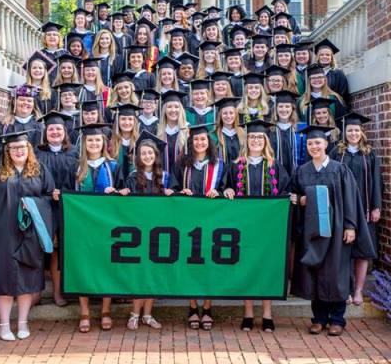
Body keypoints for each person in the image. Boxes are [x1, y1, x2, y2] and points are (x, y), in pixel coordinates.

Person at [0, 129, 56, 341]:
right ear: (7, 150)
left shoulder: (40, 170)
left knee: (27, 278)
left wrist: (35, 203)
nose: (19, 151)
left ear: (29, 149)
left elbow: (49, 197)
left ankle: (23, 323)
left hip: (30, 233)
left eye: (22, 147)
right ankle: (4, 325)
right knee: (4, 278)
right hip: (2, 233)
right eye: (14, 148)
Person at [290, 125, 375, 336]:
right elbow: (293, 197)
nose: (314, 146)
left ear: (326, 144)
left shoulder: (339, 169)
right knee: (315, 272)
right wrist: (300, 200)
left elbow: (350, 200)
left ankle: (337, 319)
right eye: (310, 143)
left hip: (336, 231)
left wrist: (350, 226)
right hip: (312, 233)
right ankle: (318, 319)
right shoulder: (302, 171)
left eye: (318, 143)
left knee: (336, 272)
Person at [223, 119, 290, 333]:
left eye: (259, 137)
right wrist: (228, 191)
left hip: (269, 228)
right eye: (252, 137)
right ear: (247, 140)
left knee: (267, 268)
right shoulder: (235, 166)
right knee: (247, 267)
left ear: (265, 140)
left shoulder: (274, 165)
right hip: (244, 227)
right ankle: (248, 313)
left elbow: (285, 191)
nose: (255, 140)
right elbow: (227, 187)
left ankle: (268, 314)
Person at [170, 124, 227, 331]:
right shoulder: (182, 164)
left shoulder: (219, 165)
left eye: (203, 139)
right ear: (191, 143)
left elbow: (225, 188)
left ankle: (208, 307)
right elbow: (173, 189)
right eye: (196, 140)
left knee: (209, 264)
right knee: (190, 263)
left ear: (209, 142)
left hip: (212, 223)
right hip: (187, 223)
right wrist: (180, 191)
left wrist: (221, 191)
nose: (200, 143)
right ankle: (193, 307)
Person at [69, 123, 121, 333]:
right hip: (81, 226)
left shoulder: (114, 166)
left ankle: (106, 311)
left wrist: (117, 191)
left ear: (104, 143)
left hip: (107, 226)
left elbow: (123, 197)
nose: (94, 143)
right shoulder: (75, 166)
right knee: (84, 267)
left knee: (106, 266)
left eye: (97, 140)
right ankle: (84, 312)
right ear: (84, 143)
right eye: (90, 140)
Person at [329, 112, 382, 307]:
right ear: (344, 132)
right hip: (342, 209)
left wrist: (376, 206)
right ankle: (346, 290)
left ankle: (358, 290)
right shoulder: (337, 153)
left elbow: (377, 181)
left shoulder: (369, 153)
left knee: (362, 251)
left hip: (365, 208)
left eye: (356, 130)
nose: (353, 133)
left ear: (362, 132)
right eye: (350, 130)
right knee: (343, 251)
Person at [122, 132, 172, 331]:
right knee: (140, 273)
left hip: (160, 233)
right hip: (140, 232)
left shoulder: (166, 177)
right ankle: (135, 314)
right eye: (143, 153)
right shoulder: (133, 177)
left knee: (154, 273)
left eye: (150, 153)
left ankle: (148, 314)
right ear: (138, 157)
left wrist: (174, 193)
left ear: (155, 155)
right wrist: (122, 193)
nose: (147, 156)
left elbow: (176, 203)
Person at [35, 111, 78, 307]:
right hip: (44, 206)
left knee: (59, 251)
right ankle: (35, 291)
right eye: (51, 129)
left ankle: (58, 292)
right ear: (45, 132)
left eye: (58, 129)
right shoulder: (37, 153)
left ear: (65, 131)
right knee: (40, 249)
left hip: (68, 208)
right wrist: (48, 192)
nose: (54, 132)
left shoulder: (75, 152)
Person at [0, 85, 43, 170]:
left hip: (35, 173)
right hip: (9, 174)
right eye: (22, 100)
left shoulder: (41, 126)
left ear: (34, 105)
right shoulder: (1, 127)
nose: (25, 103)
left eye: (29, 101)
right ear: (14, 102)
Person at [270, 90, 308, 178]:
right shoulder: (269, 130)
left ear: (292, 108)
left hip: (298, 175)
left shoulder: (302, 128)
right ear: (276, 108)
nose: (284, 110)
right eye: (280, 106)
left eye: (287, 106)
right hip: (274, 177)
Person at [157, 90, 189, 176]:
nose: (173, 110)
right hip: (161, 180)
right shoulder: (158, 131)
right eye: (169, 107)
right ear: (164, 110)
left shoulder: (188, 130)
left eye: (176, 107)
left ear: (181, 109)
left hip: (183, 180)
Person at [109, 103, 141, 187]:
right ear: (118, 121)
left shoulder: (140, 143)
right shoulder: (110, 143)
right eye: (123, 119)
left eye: (130, 119)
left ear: (135, 122)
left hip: (135, 189)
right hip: (115, 189)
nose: (127, 122)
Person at [315, 39, 350, 106]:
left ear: (331, 58)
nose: (325, 57)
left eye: (328, 55)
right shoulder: (312, 73)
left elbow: (343, 95)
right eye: (321, 55)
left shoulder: (338, 74)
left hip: (334, 107)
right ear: (318, 57)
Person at [213, 97, 244, 165]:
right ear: (220, 116)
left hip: (240, 173)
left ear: (235, 114)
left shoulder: (243, 134)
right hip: (222, 174)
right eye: (224, 113)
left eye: (231, 113)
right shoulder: (214, 135)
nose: (228, 116)